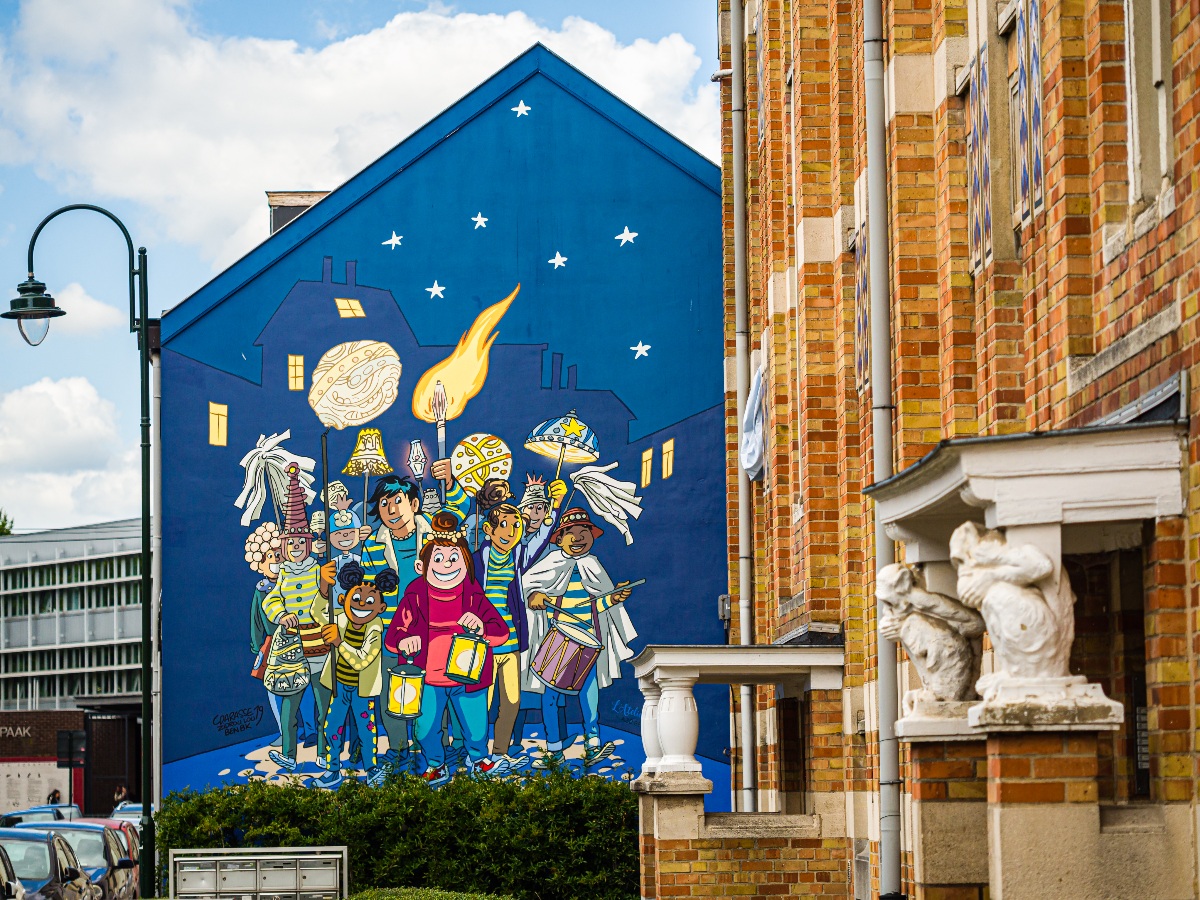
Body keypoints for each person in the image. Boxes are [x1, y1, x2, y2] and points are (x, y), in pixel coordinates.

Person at [384, 512, 510, 785]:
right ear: (422, 565)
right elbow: (392, 637)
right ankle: (435, 763)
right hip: (428, 677)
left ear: (466, 564)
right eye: (438, 559)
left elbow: (500, 632)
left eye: (454, 559)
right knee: (425, 727)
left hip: (468, 677)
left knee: (475, 725)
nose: (446, 565)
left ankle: (478, 759)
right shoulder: (415, 595)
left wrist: (480, 627)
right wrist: (405, 641)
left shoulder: (474, 594)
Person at [359, 465, 467, 768]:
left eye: (397, 501)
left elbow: (459, 510)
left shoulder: (435, 537)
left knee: (437, 688)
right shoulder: (373, 545)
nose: (391, 509)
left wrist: (450, 481)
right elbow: (371, 590)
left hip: (434, 628)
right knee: (392, 692)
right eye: (384, 504)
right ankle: (399, 748)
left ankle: (441, 745)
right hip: (394, 631)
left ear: (414, 505)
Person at [522, 508, 638, 768]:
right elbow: (527, 584)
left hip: (590, 640)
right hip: (558, 638)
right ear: (559, 538)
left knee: (589, 693)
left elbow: (598, 603)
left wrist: (614, 598)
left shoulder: (593, 565)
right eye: (571, 533)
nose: (578, 537)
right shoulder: (551, 562)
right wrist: (534, 596)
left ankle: (592, 743)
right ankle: (554, 749)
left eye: (584, 531)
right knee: (550, 695)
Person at [473, 489, 561, 759]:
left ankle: (499, 753)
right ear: (488, 529)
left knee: (511, 702)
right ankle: (476, 754)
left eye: (516, 526)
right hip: (482, 644)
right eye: (504, 526)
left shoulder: (519, 556)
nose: (510, 532)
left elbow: (542, 538)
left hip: (511, 644)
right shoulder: (477, 560)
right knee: (481, 704)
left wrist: (554, 508)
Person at [262, 463, 337, 773]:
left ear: (309, 544)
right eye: (290, 543)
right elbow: (271, 599)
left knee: (324, 707)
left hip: (318, 645)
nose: (295, 547)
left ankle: (324, 753)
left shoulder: (319, 569)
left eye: (300, 542)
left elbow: (331, 601)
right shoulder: (282, 575)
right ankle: (290, 753)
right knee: (290, 706)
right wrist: (282, 615)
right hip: (292, 649)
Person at [312, 562, 396, 789]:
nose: (361, 605)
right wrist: (323, 586)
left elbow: (362, 661)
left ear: (380, 608)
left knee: (366, 730)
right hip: (339, 687)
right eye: (356, 598)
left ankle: (371, 769)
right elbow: (318, 612)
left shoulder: (375, 631)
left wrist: (339, 642)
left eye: (370, 602)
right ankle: (332, 769)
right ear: (343, 600)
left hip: (362, 691)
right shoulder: (340, 619)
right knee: (333, 727)